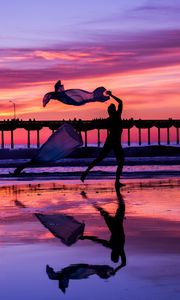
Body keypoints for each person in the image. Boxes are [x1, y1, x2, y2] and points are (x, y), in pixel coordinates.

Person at [81, 90, 124, 188]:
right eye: (113, 107)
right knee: (120, 162)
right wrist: (111, 95)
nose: (114, 107)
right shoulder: (117, 116)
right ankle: (116, 182)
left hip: (111, 141)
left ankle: (85, 173)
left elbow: (95, 125)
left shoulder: (109, 120)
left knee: (101, 159)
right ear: (113, 111)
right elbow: (120, 102)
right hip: (115, 141)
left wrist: (85, 129)